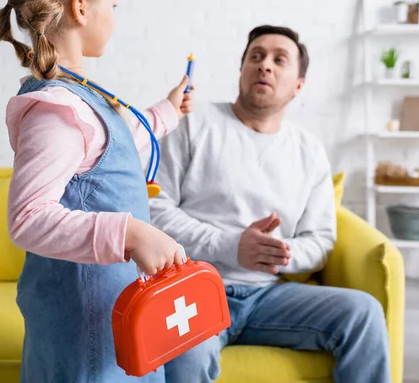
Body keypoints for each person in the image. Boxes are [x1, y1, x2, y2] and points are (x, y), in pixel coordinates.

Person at [150, 25, 391, 383]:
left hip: (269, 296)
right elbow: (154, 210)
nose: (265, 66)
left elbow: (321, 239)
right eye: (256, 56)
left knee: (363, 312)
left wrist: (276, 252)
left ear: (298, 84)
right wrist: (232, 246)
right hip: (194, 291)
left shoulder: (309, 152)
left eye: (280, 60)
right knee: (185, 355)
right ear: (242, 69)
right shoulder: (192, 125)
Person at [0, 0, 195, 381]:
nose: (116, 17)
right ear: (81, 8)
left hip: (114, 308)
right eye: (114, 5)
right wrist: (131, 234)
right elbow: (28, 218)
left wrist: (169, 111)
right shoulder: (56, 111)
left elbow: (116, 145)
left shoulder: (80, 95)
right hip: (86, 322)